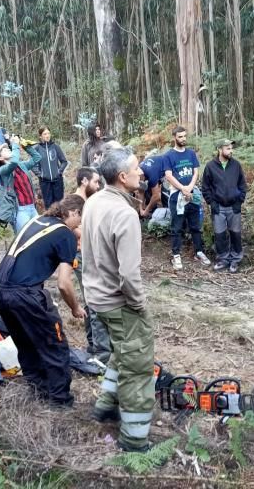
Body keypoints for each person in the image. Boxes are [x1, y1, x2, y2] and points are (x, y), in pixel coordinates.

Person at [82, 147, 154, 452]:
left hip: (95, 297)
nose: (141, 173)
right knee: (137, 366)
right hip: (118, 302)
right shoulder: (125, 213)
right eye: (136, 169)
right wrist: (139, 305)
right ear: (123, 177)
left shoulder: (94, 201)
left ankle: (105, 406)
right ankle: (134, 440)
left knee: (119, 352)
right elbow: (129, 275)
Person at [0, 195, 87, 407]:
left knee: (25, 343)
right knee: (55, 344)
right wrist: (75, 307)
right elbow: (64, 283)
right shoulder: (65, 234)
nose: (80, 225)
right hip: (25, 295)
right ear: (73, 213)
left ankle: (38, 390)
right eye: (80, 220)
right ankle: (60, 401)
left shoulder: (37, 221)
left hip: (0, 290)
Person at [72, 166, 110, 363]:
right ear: (84, 181)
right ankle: (99, 352)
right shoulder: (75, 202)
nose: (98, 185)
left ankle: (94, 345)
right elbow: (76, 229)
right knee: (93, 301)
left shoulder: (91, 201)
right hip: (82, 255)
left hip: (93, 254)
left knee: (92, 300)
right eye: (95, 181)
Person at [163, 126, 210, 271]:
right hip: (177, 195)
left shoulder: (190, 154)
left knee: (195, 225)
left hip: (192, 193)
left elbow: (195, 172)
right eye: (180, 137)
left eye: (185, 136)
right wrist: (182, 189)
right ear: (174, 138)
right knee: (177, 227)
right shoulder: (168, 155)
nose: (183, 139)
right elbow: (169, 175)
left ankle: (199, 251)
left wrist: (189, 187)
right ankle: (176, 255)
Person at [201, 139, 246, 273]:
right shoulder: (210, 166)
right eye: (227, 148)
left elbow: (242, 185)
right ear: (219, 149)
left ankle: (235, 260)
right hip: (218, 207)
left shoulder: (236, 165)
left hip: (234, 206)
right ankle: (223, 259)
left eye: (231, 148)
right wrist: (212, 203)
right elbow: (205, 188)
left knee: (235, 234)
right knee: (220, 235)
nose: (231, 151)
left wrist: (239, 201)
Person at [0, 136, 42, 232]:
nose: (8, 150)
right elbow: (14, 162)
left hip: (32, 207)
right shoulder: (3, 171)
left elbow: (37, 158)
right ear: (1, 158)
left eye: (7, 148)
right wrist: (15, 144)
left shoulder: (21, 165)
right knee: (23, 241)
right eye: (5, 150)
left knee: (36, 237)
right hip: (20, 210)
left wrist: (26, 146)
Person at [33, 126, 68, 209]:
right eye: (45, 134)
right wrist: (40, 174)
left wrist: (59, 172)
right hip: (45, 182)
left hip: (57, 181)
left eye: (48, 133)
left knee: (59, 205)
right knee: (49, 206)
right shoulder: (37, 149)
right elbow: (32, 165)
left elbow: (64, 161)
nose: (47, 136)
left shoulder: (55, 147)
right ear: (40, 136)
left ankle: (60, 221)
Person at [138, 152, 164, 219]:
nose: (140, 182)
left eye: (140, 180)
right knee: (147, 189)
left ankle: (160, 210)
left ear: (142, 175)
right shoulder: (139, 168)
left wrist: (146, 210)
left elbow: (156, 196)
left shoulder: (152, 174)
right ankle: (151, 210)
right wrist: (141, 209)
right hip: (155, 167)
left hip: (168, 167)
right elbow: (141, 192)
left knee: (157, 193)